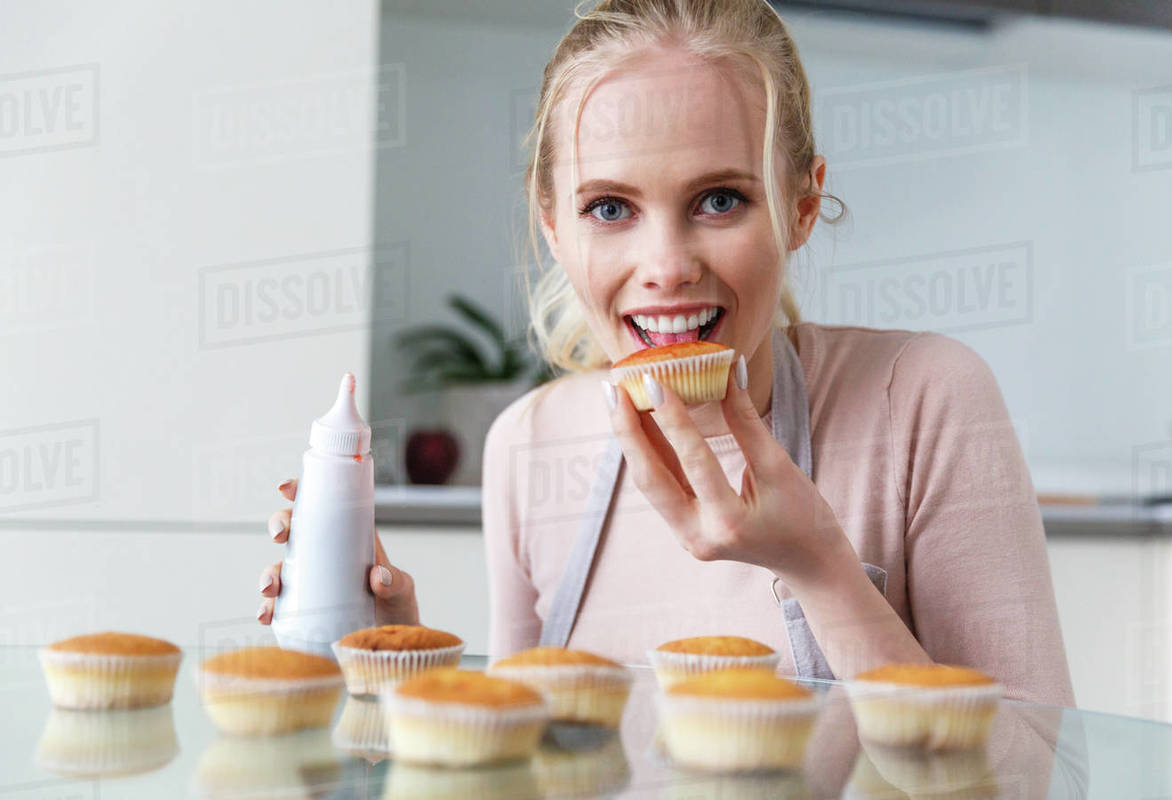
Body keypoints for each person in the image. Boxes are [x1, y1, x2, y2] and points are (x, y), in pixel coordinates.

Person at [257, 0, 1074, 707]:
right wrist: (394, 659)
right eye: (610, 207)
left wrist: (821, 565)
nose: (667, 266)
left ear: (801, 206)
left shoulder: (924, 402)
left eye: (719, 200)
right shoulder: (528, 444)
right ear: (554, 227)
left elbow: (1039, 778)